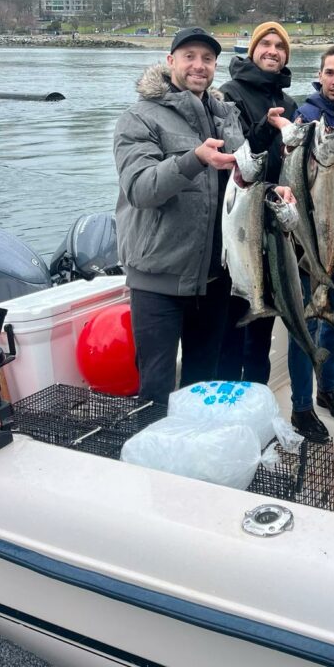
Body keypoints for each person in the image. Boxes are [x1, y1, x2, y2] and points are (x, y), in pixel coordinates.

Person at [113, 26, 244, 405]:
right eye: (189, 56)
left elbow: (240, 182)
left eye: (207, 59)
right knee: (155, 389)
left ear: (215, 66)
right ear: (171, 61)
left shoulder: (225, 117)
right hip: (158, 279)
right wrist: (193, 159)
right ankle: (149, 462)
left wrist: (271, 192)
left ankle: (187, 460)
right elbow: (140, 188)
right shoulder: (139, 118)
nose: (198, 66)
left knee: (201, 385)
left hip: (214, 280)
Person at [287, 45, 334, 442]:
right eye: (329, 73)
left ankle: (327, 387)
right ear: (320, 76)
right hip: (310, 244)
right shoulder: (307, 116)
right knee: (305, 325)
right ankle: (301, 406)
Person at [217, 21, 297, 383]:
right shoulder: (228, 94)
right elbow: (237, 153)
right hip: (241, 221)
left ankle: (256, 399)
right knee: (233, 328)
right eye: (265, 43)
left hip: (274, 225)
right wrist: (267, 126)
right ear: (252, 50)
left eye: (280, 46)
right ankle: (230, 405)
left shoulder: (289, 101)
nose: (273, 51)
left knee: (262, 330)